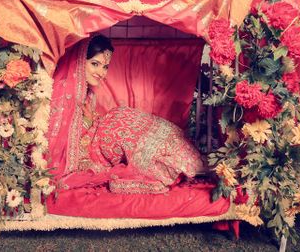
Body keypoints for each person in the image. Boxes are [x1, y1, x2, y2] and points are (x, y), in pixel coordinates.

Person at [47, 35, 203, 194]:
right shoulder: (62, 94)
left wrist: (93, 120)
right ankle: (169, 162)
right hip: (98, 147)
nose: (101, 72)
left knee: (124, 116)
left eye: (105, 67)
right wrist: (88, 122)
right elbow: (60, 145)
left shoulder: (87, 94)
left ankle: (176, 152)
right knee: (123, 124)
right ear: (79, 62)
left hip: (107, 130)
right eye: (95, 64)